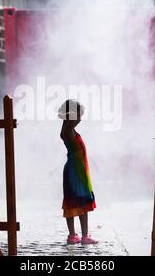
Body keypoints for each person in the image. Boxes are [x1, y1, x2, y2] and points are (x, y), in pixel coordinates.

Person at [58, 99, 98, 245]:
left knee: (76, 200)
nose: (80, 119)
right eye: (78, 115)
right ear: (71, 116)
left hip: (77, 170)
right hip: (76, 172)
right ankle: (82, 235)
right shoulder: (68, 131)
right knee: (79, 200)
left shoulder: (69, 130)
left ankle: (75, 235)